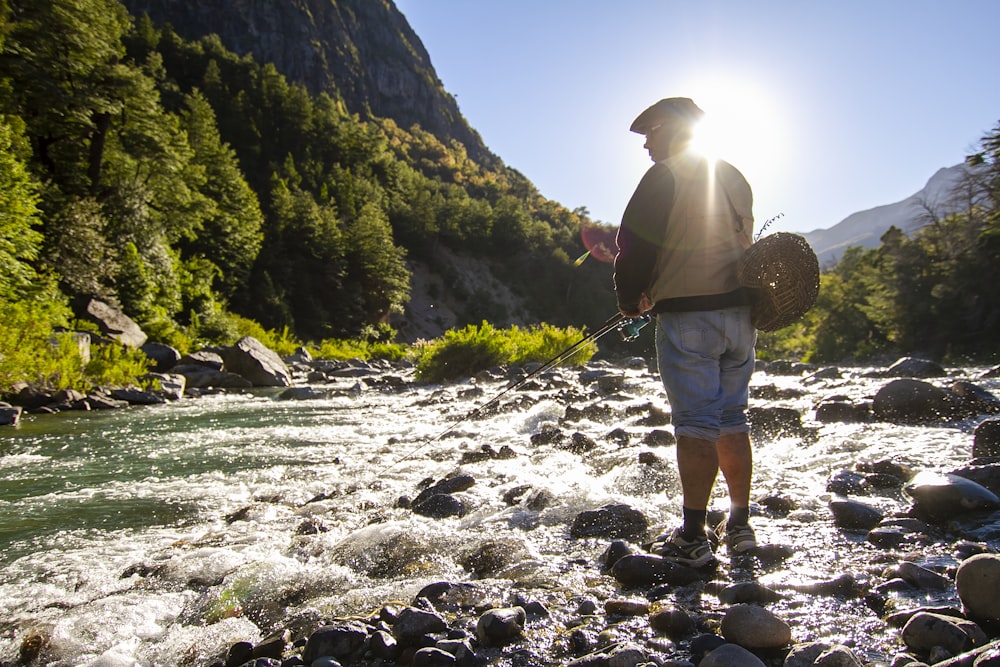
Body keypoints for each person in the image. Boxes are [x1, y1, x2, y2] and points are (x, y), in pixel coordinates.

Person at [613, 97, 757, 568]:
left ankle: (693, 537)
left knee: (695, 424)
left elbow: (633, 246)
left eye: (651, 132)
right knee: (732, 419)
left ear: (673, 128)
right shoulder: (733, 174)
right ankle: (739, 525)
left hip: (688, 319)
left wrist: (630, 297)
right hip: (740, 317)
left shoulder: (665, 175)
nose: (647, 144)